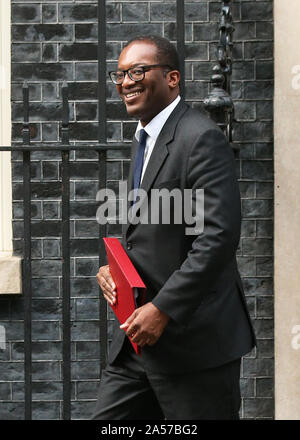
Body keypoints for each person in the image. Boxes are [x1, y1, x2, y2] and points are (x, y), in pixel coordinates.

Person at [92, 35, 256, 420]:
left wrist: (163, 309)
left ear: (173, 78)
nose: (126, 82)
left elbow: (217, 237)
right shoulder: (145, 139)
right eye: (120, 74)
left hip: (193, 345)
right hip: (138, 345)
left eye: (138, 71)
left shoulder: (201, 138)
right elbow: (150, 230)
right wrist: (113, 271)